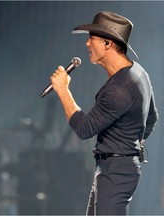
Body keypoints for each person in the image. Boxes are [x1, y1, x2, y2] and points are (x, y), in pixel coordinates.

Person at [50, 11, 158, 215]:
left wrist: (63, 90)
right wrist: (130, 146)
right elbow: (151, 119)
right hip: (117, 168)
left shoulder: (120, 88)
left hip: (116, 172)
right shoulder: (138, 72)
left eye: (92, 38)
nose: (87, 44)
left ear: (108, 43)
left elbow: (84, 129)